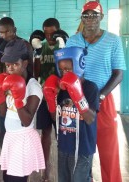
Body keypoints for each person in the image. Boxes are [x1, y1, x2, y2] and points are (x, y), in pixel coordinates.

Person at [66, 2, 126, 181]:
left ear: (101, 17)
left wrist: (100, 96)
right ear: (82, 18)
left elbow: (118, 73)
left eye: (94, 15)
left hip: (103, 99)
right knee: (81, 150)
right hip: (77, 99)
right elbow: (66, 69)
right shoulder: (73, 41)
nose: (90, 19)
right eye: (86, 15)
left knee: (108, 149)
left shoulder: (113, 40)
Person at [0, 39, 45, 182]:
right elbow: (3, 113)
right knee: (7, 177)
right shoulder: (7, 81)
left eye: (15, 64)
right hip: (10, 137)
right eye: (8, 64)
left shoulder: (33, 87)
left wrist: (18, 98)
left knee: (17, 179)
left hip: (23, 139)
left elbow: (26, 121)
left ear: (25, 63)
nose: (10, 68)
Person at [44, 47, 99, 182]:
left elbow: (90, 118)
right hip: (64, 145)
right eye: (61, 70)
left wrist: (78, 95)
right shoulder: (61, 89)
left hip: (83, 148)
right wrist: (50, 100)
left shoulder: (90, 88)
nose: (64, 73)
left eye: (68, 69)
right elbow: (55, 118)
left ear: (79, 64)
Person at [29, 18, 68, 181]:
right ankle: (46, 169)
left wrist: (62, 48)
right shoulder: (41, 46)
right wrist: (37, 54)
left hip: (62, 95)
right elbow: (36, 73)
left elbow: (66, 70)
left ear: (58, 31)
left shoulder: (64, 45)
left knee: (63, 133)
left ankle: (65, 169)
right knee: (45, 132)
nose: (49, 36)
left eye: (52, 32)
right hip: (45, 96)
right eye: (46, 32)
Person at [0, 17, 34, 148]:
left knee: (21, 130)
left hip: (19, 93)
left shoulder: (25, 46)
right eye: (1, 32)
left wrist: (21, 89)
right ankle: (6, 162)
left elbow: (30, 71)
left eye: (7, 31)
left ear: (14, 30)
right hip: (3, 93)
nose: (4, 35)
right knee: (3, 130)